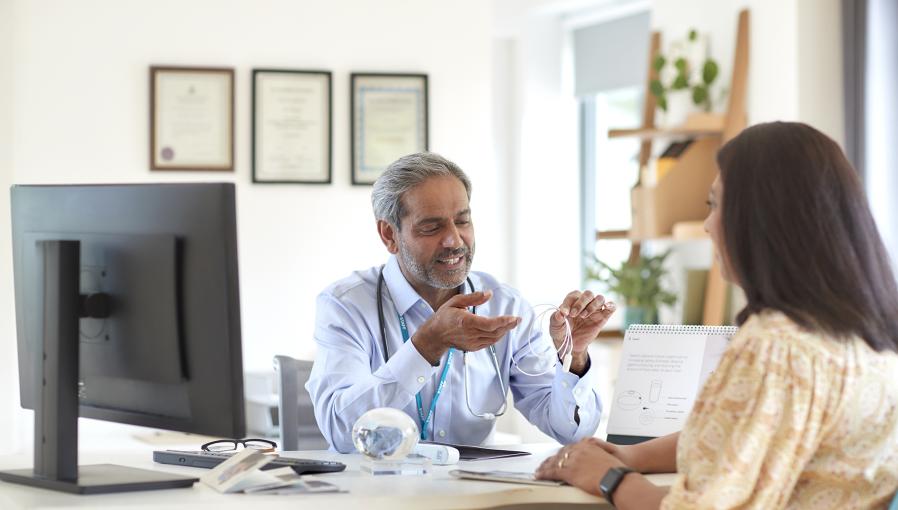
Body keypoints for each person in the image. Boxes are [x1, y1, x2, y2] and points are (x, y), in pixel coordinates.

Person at [536, 122, 898, 509]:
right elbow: (744, 434)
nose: (708, 225)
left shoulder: (776, 347)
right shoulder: (865, 338)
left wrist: (608, 478)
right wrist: (630, 456)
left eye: (716, 205)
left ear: (762, 218)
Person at [306, 152, 616, 453]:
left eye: (462, 221)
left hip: (476, 498)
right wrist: (426, 346)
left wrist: (574, 357)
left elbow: (571, 432)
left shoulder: (504, 305)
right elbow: (341, 432)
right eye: (431, 226)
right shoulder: (346, 306)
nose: (454, 240)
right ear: (389, 234)